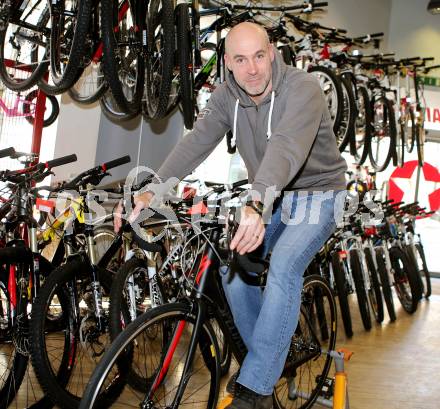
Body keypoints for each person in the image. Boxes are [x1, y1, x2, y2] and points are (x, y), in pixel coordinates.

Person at [115, 21, 347, 409]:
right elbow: (196, 143)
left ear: (272, 53)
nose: (252, 68)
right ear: (228, 63)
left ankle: (256, 388)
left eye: (259, 56)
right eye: (241, 59)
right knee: (232, 270)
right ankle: (268, 358)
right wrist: (153, 189)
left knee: (285, 265)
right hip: (270, 196)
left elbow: (286, 149)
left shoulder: (302, 89)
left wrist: (256, 205)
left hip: (320, 195)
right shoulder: (227, 98)